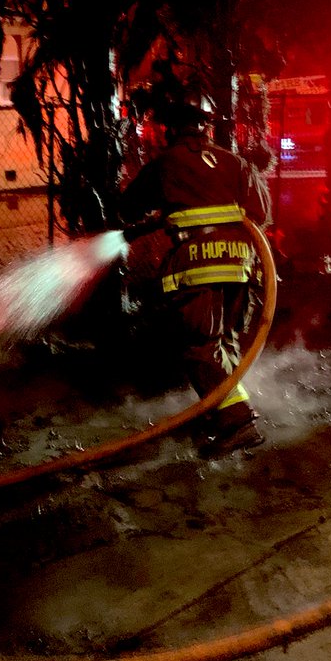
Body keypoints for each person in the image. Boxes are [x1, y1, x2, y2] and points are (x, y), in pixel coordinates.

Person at [119, 101, 274, 459]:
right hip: (241, 266)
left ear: (169, 130)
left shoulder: (165, 163)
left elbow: (128, 207)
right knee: (225, 343)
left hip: (199, 265)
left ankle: (238, 422)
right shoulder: (234, 162)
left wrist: (164, 206)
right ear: (203, 129)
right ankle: (222, 415)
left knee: (199, 348)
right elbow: (261, 213)